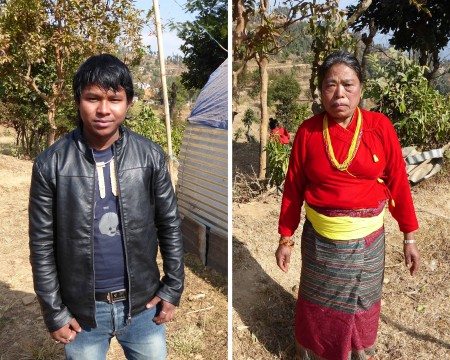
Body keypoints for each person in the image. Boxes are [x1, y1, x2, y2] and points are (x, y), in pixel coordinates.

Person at [29, 54, 184, 360]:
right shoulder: (51, 164)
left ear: (128, 103)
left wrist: (173, 287)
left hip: (142, 306)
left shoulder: (150, 157)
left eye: (114, 99)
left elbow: (170, 224)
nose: (103, 109)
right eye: (92, 98)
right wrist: (54, 311)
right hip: (83, 312)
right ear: (78, 101)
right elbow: (42, 244)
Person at [275, 51, 420, 360]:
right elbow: (293, 190)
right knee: (318, 305)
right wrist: (285, 237)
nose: (339, 93)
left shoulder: (379, 127)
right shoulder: (308, 132)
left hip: (368, 242)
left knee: (362, 304)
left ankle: (358, 354)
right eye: (330, 85)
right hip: (320, 242)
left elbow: (398, 182)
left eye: (348, 84)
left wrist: (409, 236)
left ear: (360, 90)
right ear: (320, 90)